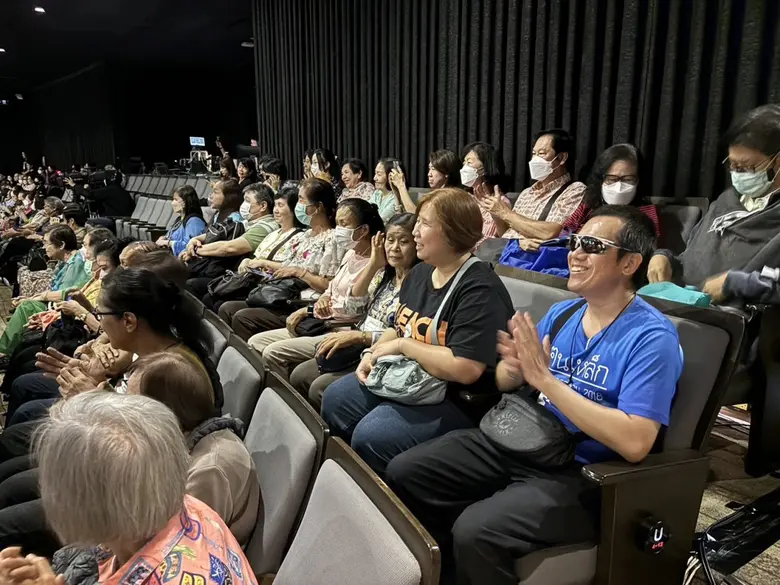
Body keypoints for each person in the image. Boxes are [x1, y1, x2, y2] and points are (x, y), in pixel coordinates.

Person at [386, 205, 683, 585]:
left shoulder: (651, 338)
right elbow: (508, 385)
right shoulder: (564, 314)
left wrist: (545, 381)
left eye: (592, 246)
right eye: (575, 242)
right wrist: (514, 369)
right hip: (523, 440)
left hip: (583, 473)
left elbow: (635, 441)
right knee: (407, 472)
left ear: (629, 263)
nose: (574, 254)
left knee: (476, 531)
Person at [321, 188, 514, 474]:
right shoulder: (422, 272)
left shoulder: (480, 289)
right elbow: (398, 327)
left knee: (372, 435)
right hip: (411, 376)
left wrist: (402, 347)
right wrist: (372, 354)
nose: (415, 233)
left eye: (424, 224)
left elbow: (465, 368)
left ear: (452, 232)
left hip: (455, 396)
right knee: (336, 398)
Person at [0, 350, 257, 557]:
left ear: (162, 412)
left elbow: (165, 548)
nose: (120, 407)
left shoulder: (211, 467)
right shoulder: (185, 441)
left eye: (129, 402)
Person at [648, 104, 780, 306]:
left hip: (735, 326)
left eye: (746, 166)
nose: (737, 174)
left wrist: (737, 283)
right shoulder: (726, 202)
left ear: (777, 162)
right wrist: (665, 258)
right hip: (687, 308)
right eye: (733, 165)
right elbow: (692, 259)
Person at [246, 198, 385, 384]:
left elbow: (354, 311)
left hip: (337, 328)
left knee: (273, 353)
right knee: (255, 342)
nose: (338, 230)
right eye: (337, 223)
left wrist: (308, 310)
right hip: (319, 319)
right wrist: (323, 299)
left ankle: (285, 401)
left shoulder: (377, 265)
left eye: (344, 224)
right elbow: (332, 287)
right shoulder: (351, 253)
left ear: (363, 230)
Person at [290, 213, 419, 407]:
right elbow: (354, 305)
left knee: (319, 387)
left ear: (418, 245)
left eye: (404, 241)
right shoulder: (383, 276)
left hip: (382, 353)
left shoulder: (420, 284)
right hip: (355, 341)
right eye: (390, 240)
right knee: (299, 375)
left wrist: (361, 338)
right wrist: (375, 264)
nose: (394, 248)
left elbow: (405, 333)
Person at [218, 178, 342, 340]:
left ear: (317, 207)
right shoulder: (305, 236)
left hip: (300, 302)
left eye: (302, 200)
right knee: (227, 308)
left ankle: (255, 363)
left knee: (242, 317)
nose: (298, 205)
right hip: (281, 294)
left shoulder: (332, 240)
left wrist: (300, 272)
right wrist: (262, 267)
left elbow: (329, 286)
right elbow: (286, 267)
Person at [480, 128, 586, 241]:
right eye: (534, 154)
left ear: (561, 158)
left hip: (531, 257)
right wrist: (497, 215)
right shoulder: (526, 193)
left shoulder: (574, 190)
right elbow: (505, 235)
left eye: (541, 153)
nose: (535, 159)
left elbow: (551, 232)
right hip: (506, 253)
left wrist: (504, 212)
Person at [0, 225, 89, 358]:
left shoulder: (75, 264)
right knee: (26, 303)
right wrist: (31, 297)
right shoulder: (63, 262)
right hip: (54, 304)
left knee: (27, 306)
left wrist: (34, 299)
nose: (43, 247)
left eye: (47, 243)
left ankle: (4, 352)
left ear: (61, 245)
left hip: (65, 310)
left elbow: (66, 296)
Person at [561, 144, 659, 237]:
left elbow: (649, 245)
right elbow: (564, 232)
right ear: (600, 179)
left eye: (628, 179)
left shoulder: (646, 213)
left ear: (639, 180)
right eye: (612, 179)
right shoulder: (588, 206)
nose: (619, 186)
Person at [183, 182, 278, 267]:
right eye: (244, 200)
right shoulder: (248, 222)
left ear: (263, 206)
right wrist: (195, 239)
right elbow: (220, 233)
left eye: (248, 201)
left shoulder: (265, 227)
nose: (243, 204)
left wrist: (196, 250)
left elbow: (229, 248)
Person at [459, 142, 512, 240]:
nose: (464, 168)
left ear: (485, 168)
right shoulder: (464, 198)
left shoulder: (501, 201)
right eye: (464, 163)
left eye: (469, 162)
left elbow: (504, 239)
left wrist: (496, 216)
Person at [391, 149, 463, 213]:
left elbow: (417, 217)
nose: (429, 174)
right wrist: (396, 194)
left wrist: (401, 186)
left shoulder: (451, 197)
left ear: (446, 172)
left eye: (434, 169)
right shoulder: (433, 194)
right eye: (429, 169)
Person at [156, 185, 207, 257]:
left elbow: (189, 247)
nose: (172, 203)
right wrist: (164, 238)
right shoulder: (179, 219)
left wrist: (167, 243)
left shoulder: (194, 221)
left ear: (185, 202)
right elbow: (171, 236)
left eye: (175, 199)